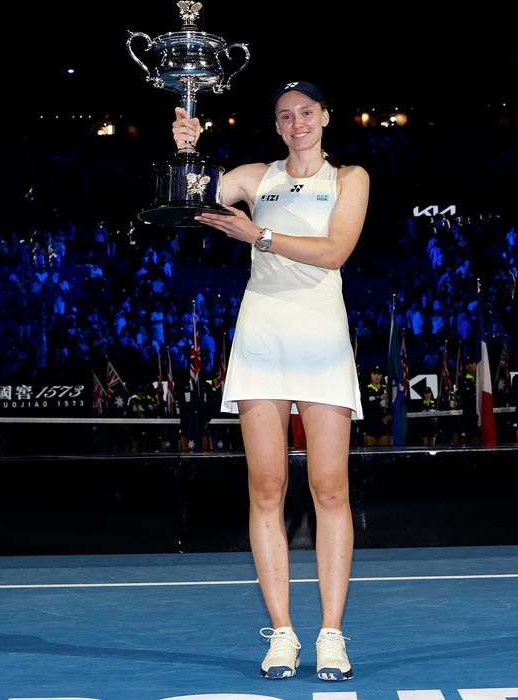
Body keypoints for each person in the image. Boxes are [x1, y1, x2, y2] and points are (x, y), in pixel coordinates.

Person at [179, 79, 368, 682]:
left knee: (329, 487)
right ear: (277, 125)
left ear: (326, 117)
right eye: (285, 116)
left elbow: (335, 251)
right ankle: (282, 633)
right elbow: (188, 201)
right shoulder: (253, 176)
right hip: (262, 334)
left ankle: (332, 635)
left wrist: (257, 234)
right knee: (266, 486)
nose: (296, 123)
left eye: (306, 112)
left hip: (320, 336)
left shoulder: (350, 178)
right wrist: (187, 151)